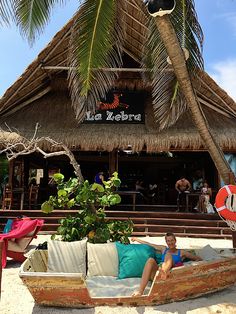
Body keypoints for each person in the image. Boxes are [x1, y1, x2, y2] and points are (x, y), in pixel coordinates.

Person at [131, 232, 202, 297]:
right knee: (150, 260)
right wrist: (137, 239)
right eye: (168, 241)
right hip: (157, 274)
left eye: (172, 240)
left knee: (168, 255)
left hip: (170, 274)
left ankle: (163, 272)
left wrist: (185, 264)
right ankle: (140, 291)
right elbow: (149, 244)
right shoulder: (163, 249)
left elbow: (198, 258)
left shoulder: (181, 252)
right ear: (166, 242)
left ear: (175, 241)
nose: (170, 242)